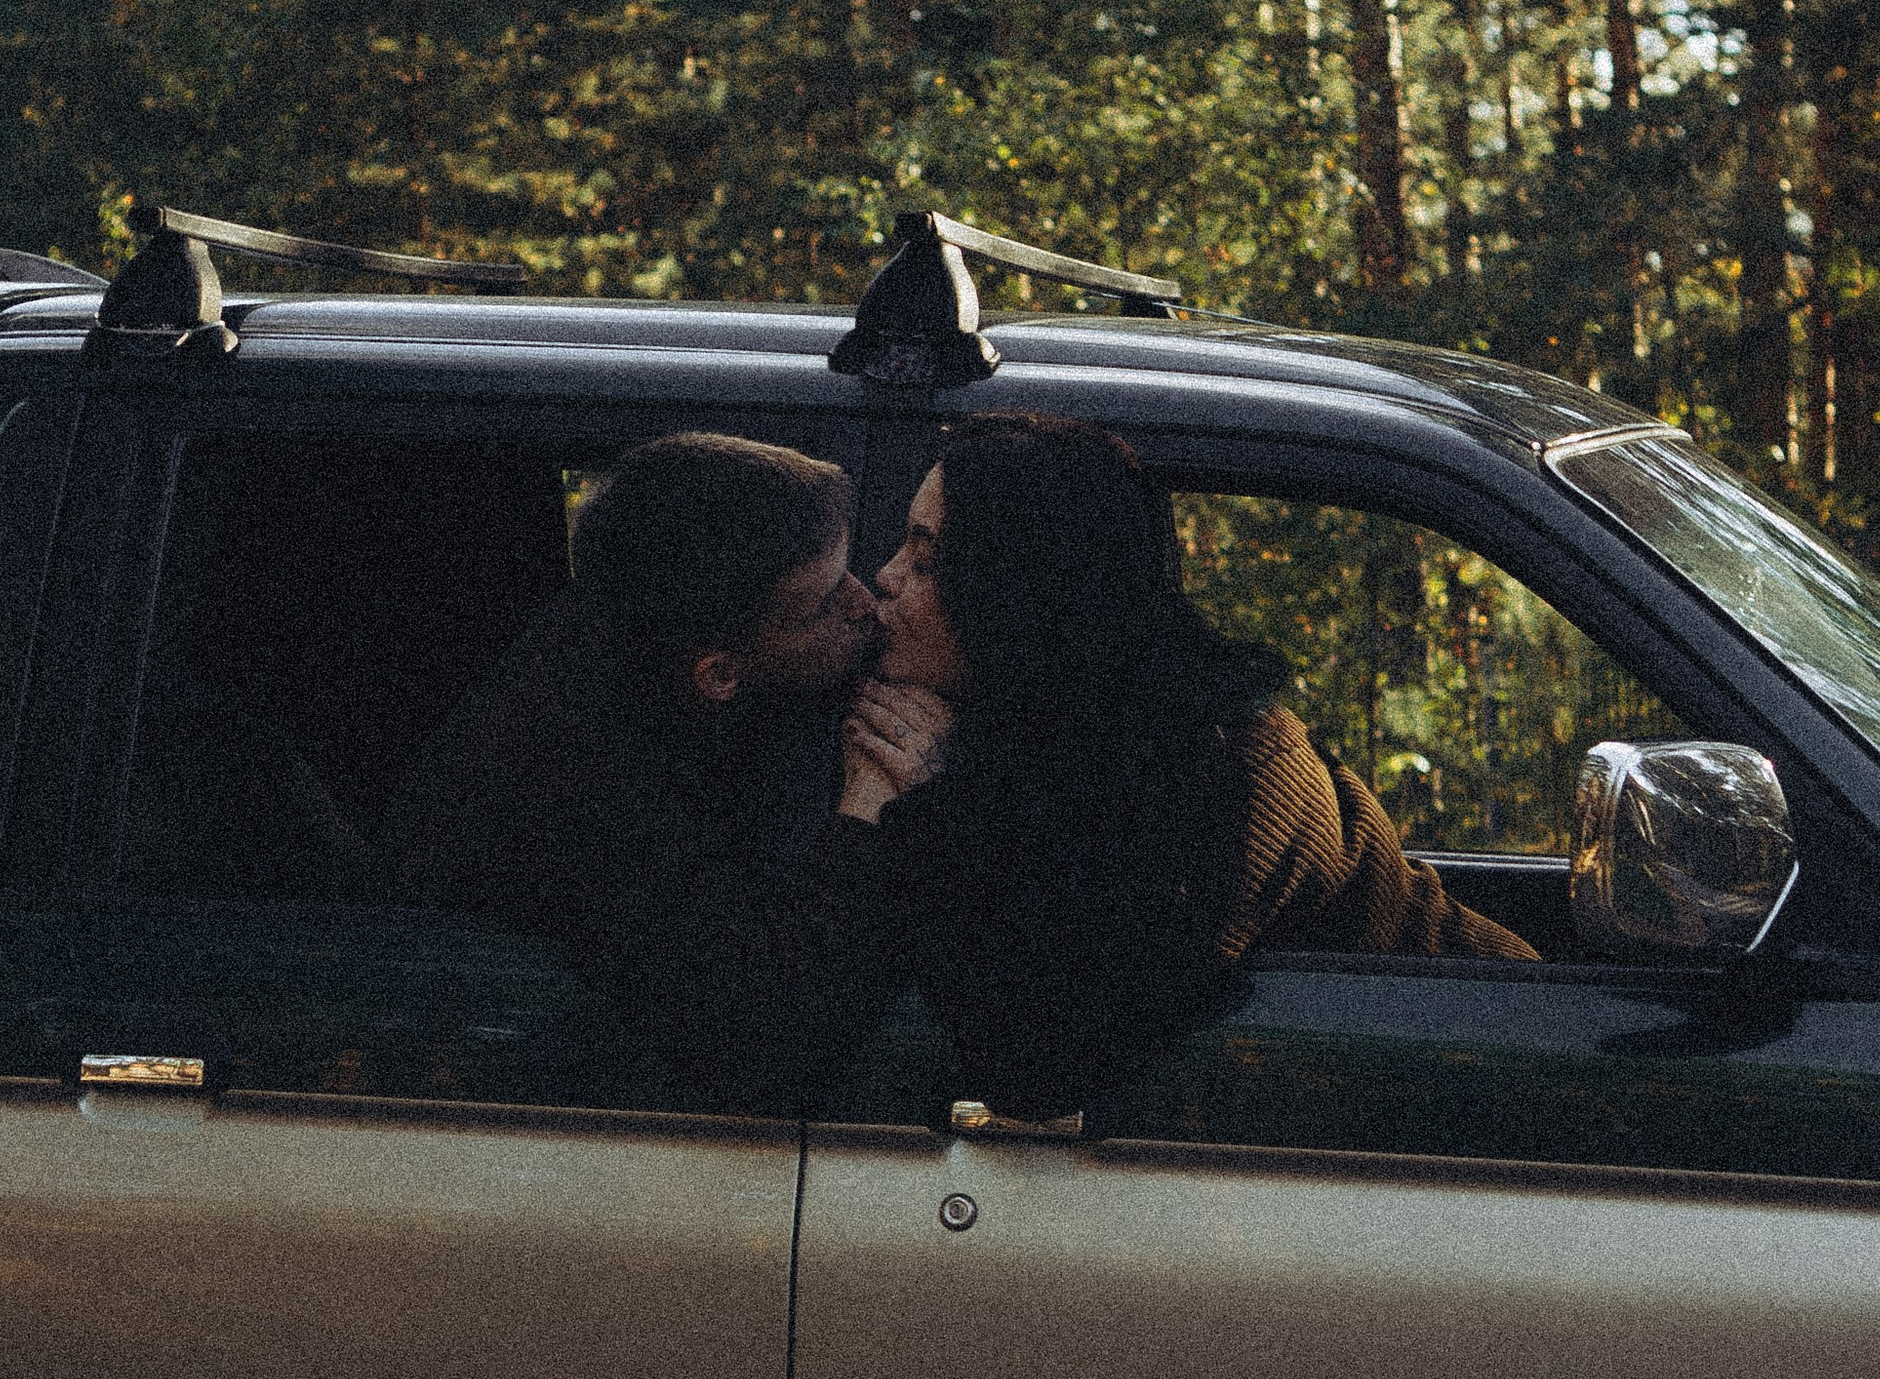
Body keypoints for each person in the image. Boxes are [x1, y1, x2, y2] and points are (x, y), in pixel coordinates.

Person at [863, 411, 1534, 1120]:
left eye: (928, 560)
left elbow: (1039, 1066)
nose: (884, 576)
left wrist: (935, 801)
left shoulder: (1236, 773)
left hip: (1507, 1079)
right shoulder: (1022, 719)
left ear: (1021, 593)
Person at [387, 432, 950, 1114]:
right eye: (823, 602)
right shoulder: (582, 790)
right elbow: (760, 1042)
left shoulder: (660, 639)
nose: (867, 602)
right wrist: (867, 809)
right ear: (720, 674)